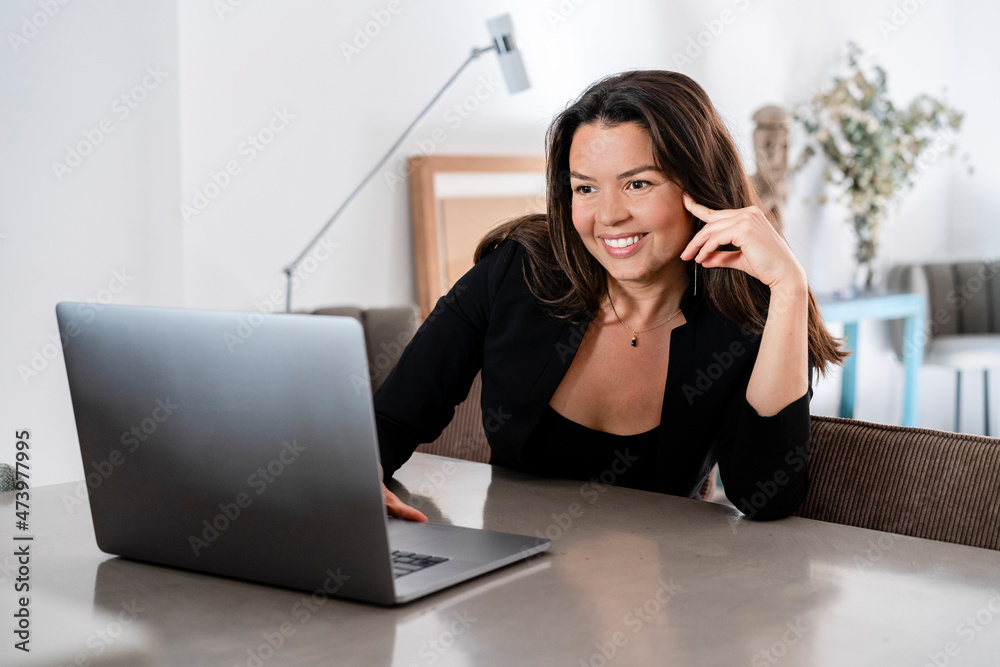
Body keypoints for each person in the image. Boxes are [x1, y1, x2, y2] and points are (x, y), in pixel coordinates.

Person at [374, 70, 845, 522]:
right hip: (509, 575)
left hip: (666, 592)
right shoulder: (518, 273)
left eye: (637, 183)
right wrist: (362, 480)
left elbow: (766, 497)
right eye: (586, 188)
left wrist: (789, 288)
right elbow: (391, 421)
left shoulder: (746, 318)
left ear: (700, 185)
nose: (608, 216)